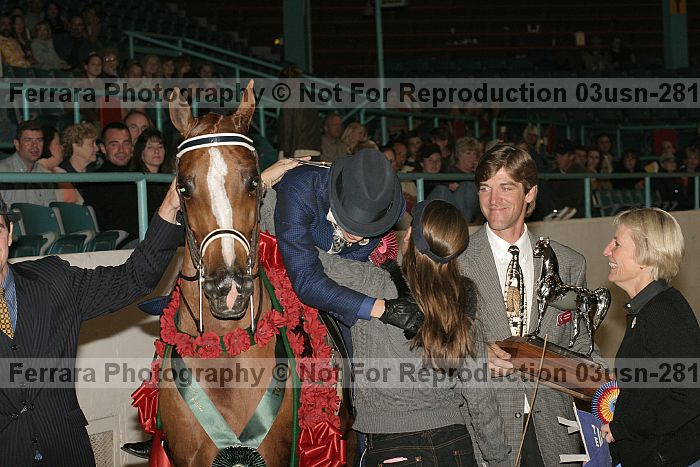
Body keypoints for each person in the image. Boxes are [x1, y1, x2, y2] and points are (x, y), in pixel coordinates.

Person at [0, 180, 183, 466]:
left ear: (10, 233)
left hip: (67, 453)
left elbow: (134, 277)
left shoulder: (53, 280)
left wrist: (170, 208)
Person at [456, 144, 601, 466]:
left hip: (555, 429)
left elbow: (582, 344)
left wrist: (608, 393)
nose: (493, 199)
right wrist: (477, 357)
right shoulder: (455, 263)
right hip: (484, 432)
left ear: (530, 193)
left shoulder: (568, 263)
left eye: (506, 187)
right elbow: (435, 345)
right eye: (485, 188)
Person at [346, 199, 511, 466]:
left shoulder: (372, 282)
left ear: (408, 235)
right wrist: (499, 459)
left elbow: (304, 261)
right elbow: (481, 398)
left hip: (393, 446)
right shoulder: (460, 300)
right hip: (456, 445)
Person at [273, 149, 423, 355]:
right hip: (283, 267)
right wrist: (382, 309)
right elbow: (306, 279)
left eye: (366, 228)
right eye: (350, 223)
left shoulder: (384, 205)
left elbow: (347, 274)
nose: (358, 235)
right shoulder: (300, 189)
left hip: (333, 276)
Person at [600, 208, 700, 466]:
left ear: (646, 255)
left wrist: (625, 427)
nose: (606, 250)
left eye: (617, 244)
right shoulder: (648, 309)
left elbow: (691, 395)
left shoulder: (663, 312)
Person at [0, 120, 57, 207]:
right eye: (28, 140)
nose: (35, 145)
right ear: (17, 144)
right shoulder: (2, 171)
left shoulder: (45, 175)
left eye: (39, 140)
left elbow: (52, 211)